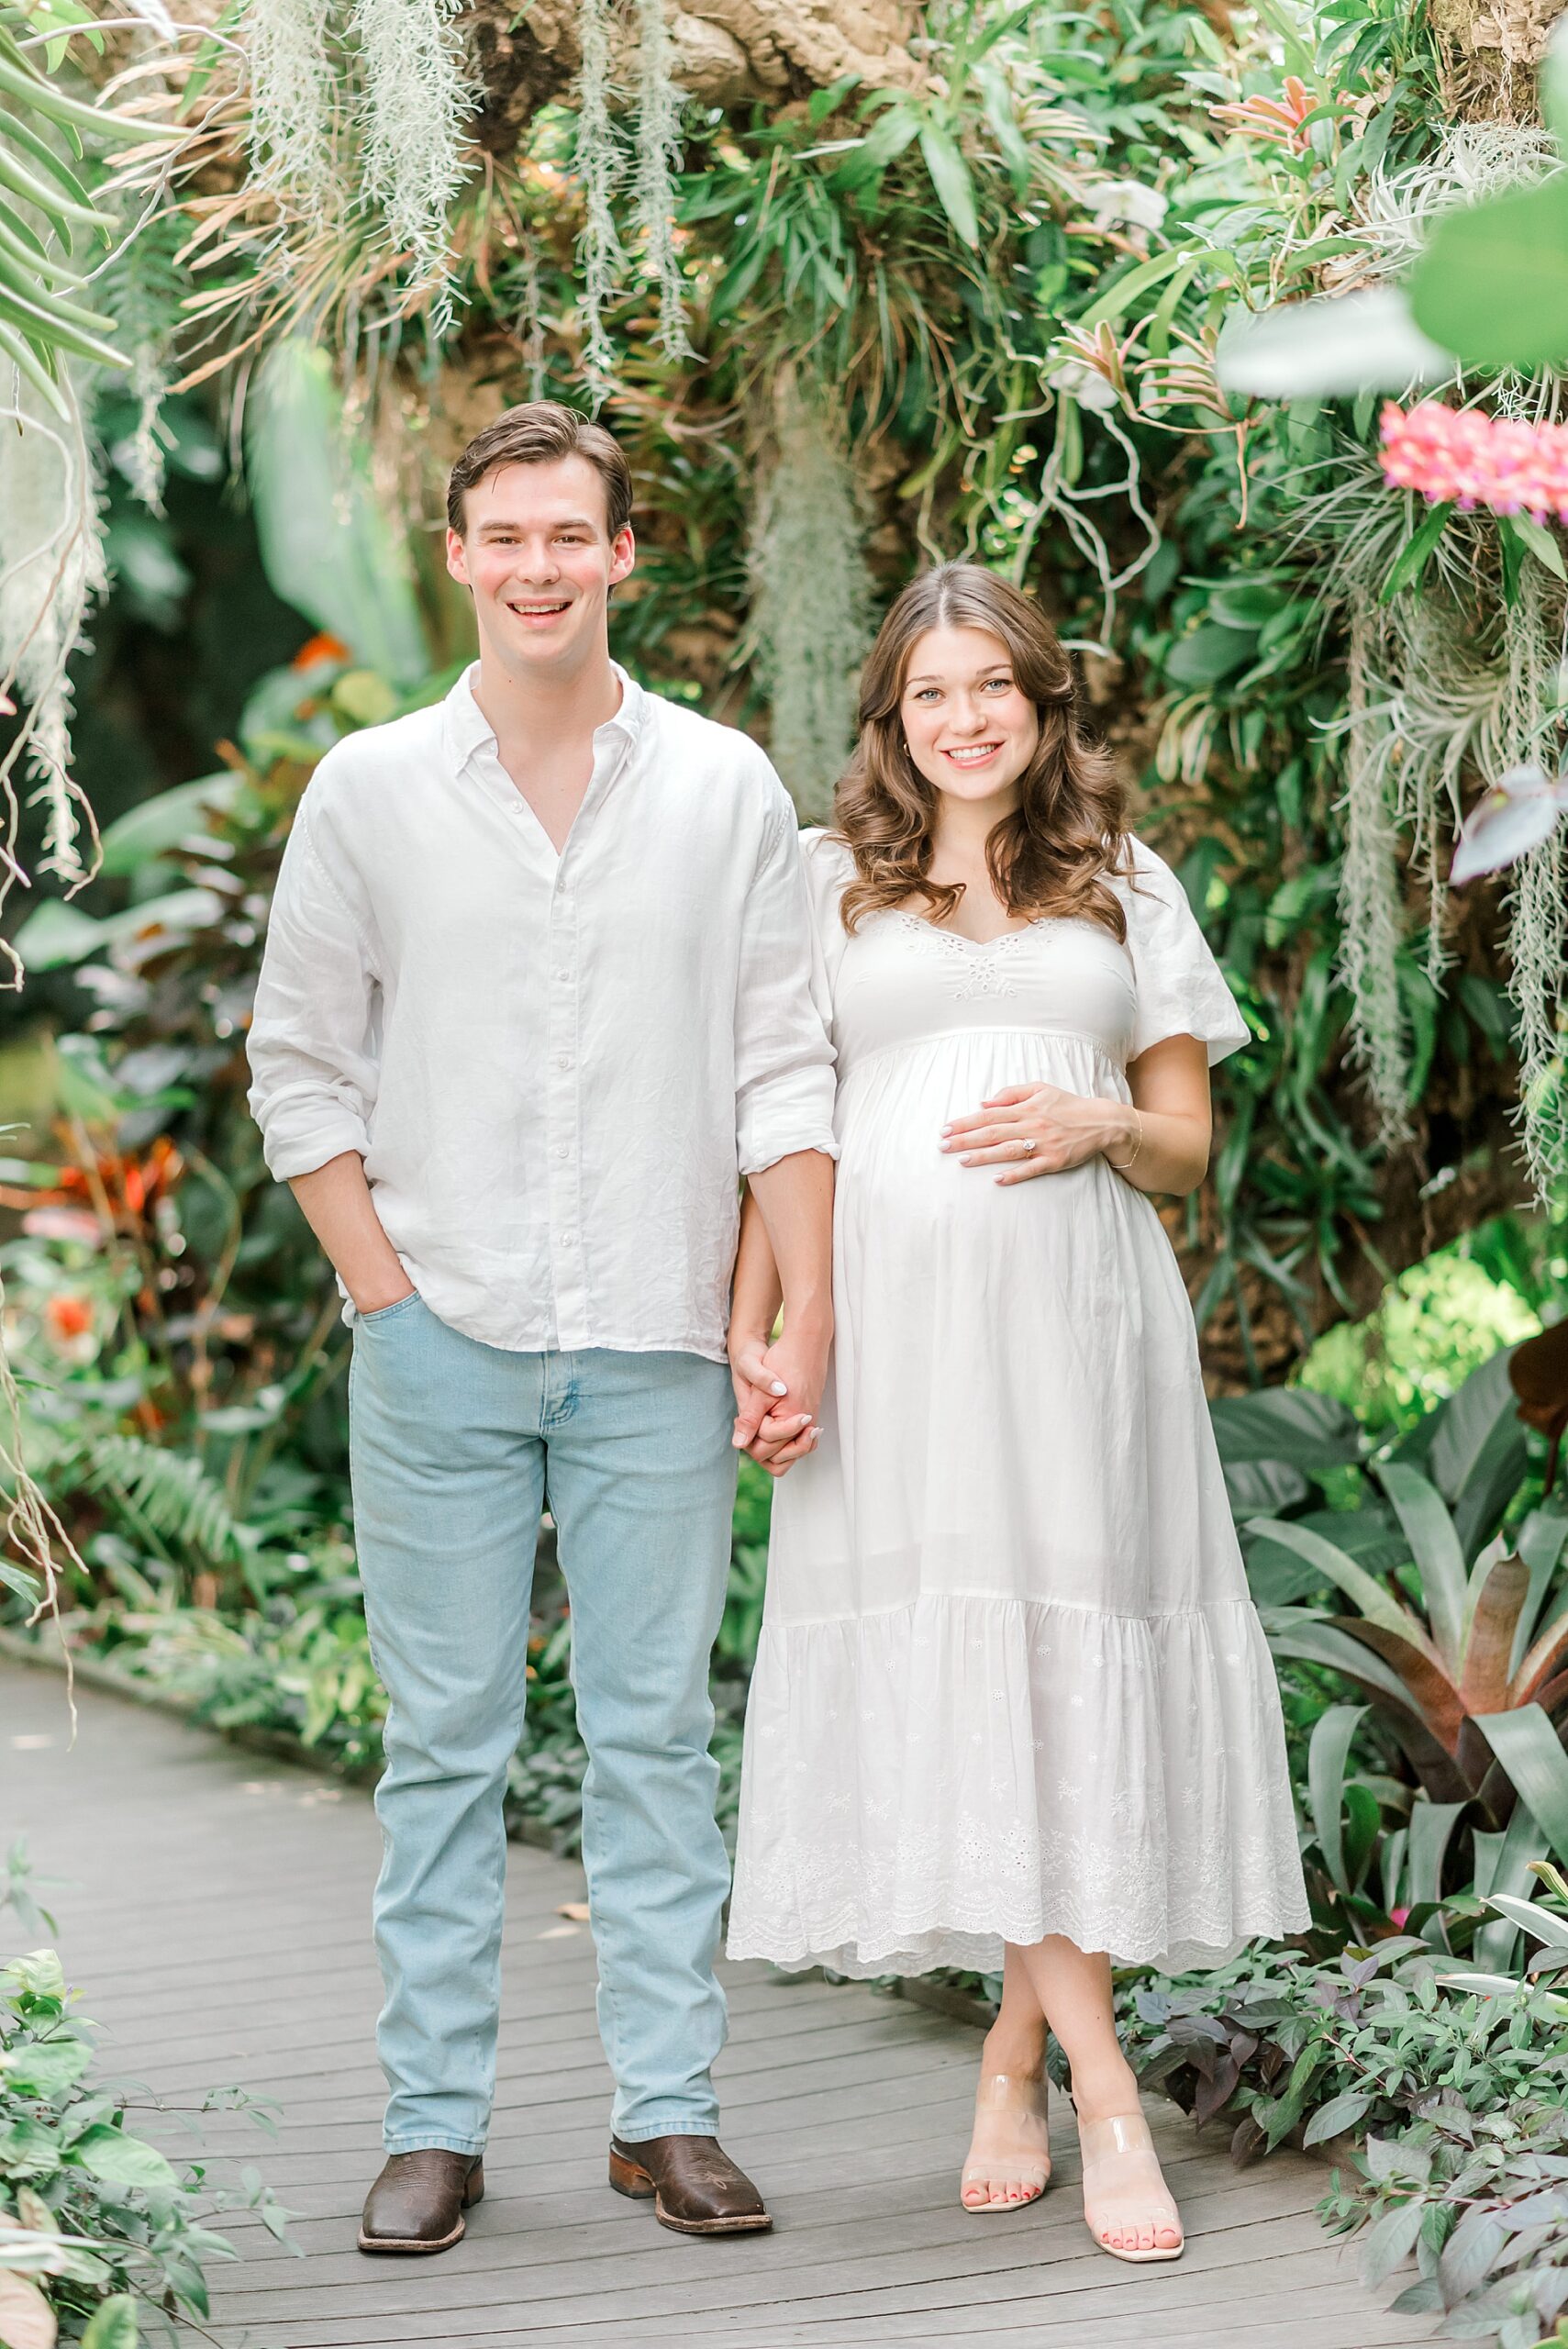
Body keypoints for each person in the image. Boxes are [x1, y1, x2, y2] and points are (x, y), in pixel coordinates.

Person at [247, 402, 837, 2254]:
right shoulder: (367, 790)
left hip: (661, 1337)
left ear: (623, 556)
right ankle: (438, 2118)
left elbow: (780, 1069)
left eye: (568, 535)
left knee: (656, 1733)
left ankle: (667, 2112)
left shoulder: (728, 786)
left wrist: (795, 1305)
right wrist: (384, 1293)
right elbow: (297, 1064)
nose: (535, 566)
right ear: (458, 555)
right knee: (446, 1743)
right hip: (440, 1340)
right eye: (504, 534)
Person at [726, 562, 1308, 2264]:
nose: (961, 717)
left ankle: (1010, 2052)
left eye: (992, 687)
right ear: (889, 722)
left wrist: (1094, 1125)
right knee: (969, 1667)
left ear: (1045, 706)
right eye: (929, 694)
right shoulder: (824, 882)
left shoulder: (1121, 882)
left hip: (1082, 1334)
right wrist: (763, 1330)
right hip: (894, 1338)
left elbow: (1187, 1145)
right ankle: (1108, 2095)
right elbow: (781, 1125)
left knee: (1061, 1669)